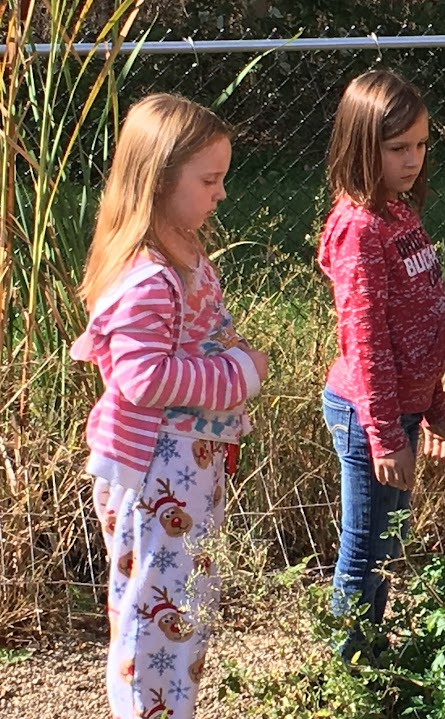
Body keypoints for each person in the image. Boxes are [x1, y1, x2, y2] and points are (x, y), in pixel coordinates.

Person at [72, 93, 268, 719]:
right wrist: (238, 372)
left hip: (182, 473)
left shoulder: (183, 251)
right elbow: (141, 378)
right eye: (209, 180)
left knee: (177, 611)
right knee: (154, 620)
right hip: (156, 476)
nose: (220, 194)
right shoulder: (149, 276)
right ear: (158, 178)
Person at [319, 69, 445, 658]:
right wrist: (382, 439)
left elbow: (419, 329)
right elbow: (367, 339)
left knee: (385, 542)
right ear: (360, 146)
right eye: (398, 147)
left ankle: (373, 651)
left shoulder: (398, 213)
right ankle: (349, 669)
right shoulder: (357, 229)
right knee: (364, 547)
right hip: (367, 416)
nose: (413, 160)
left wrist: (435, 410)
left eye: (421, 145)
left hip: (402, 412)